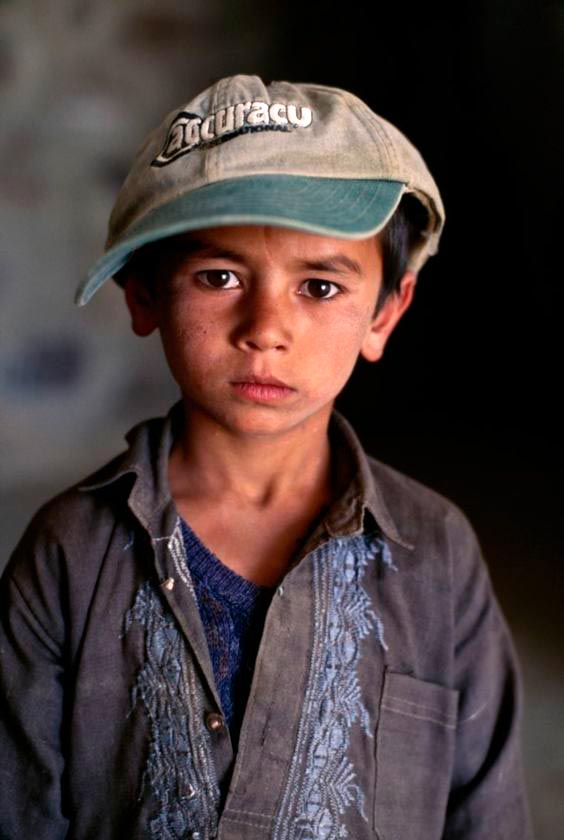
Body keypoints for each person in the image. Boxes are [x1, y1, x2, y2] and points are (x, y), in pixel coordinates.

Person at [0, 74, 533, 840]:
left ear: (385, 313)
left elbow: (488, 816)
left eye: (319, 286)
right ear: (142, 293)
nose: (265, 328)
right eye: (219, 277)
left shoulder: (437, 554)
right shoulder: (67, 556)